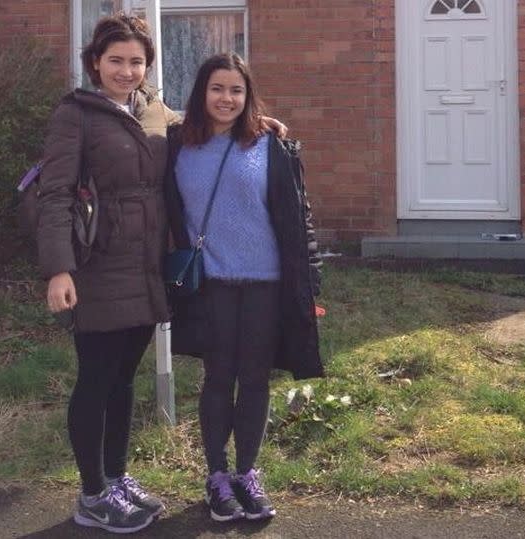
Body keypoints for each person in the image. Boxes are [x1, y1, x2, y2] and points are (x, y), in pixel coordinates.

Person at [37, 14, 288, 534]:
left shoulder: (153, 111)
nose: (126, 71)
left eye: (136, 62)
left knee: (124, 379)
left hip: (147, 266)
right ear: (94, 63)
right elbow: (56, 194)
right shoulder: (75, 115)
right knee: (96, 376)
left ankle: (117, 477)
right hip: (97, 265)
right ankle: (91, 493)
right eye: (115, 61)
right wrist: (58, 269)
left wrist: (262, 123)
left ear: (147, 66)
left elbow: (205, 119)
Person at [164, 52, 325, 523]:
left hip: (265, 283)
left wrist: (310, 281)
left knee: (254, 379)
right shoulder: (177, 143)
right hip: (210, 283)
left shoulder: (270, 145)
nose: (227, 98)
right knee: (218, 378)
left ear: (247, 95)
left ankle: (246, 474)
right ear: (202, 93)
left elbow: (300, 218)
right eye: (217, 89)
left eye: (236, 90)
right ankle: (216, 477)